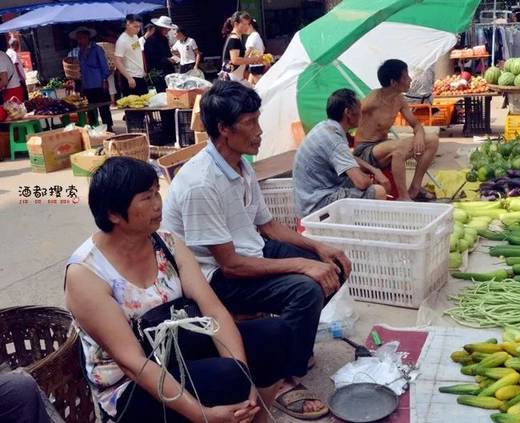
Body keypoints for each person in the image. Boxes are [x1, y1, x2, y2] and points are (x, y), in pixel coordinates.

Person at [162, 80, 351, 420]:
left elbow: (267, 225)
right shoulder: (201, 184)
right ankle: (281, 379)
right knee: (306, 288)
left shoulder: (240, 164)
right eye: (250, 123)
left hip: (250, 251)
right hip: (214, 276)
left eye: (257, 119)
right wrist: (302, 267)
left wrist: (319, 247)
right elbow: (230, 264)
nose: (260, 131)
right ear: (223, 129)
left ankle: (288, 347)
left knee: (334, 267)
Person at [65, 156, 292, 422]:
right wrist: (202, 414)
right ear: (113, 214)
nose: (157, 204)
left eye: (156, 193)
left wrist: (245, 377)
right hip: (130, 385)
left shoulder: (168, 244)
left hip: (176, 349)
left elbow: (214, 312)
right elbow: (132, 362)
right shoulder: (86, 274)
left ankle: (254, 416)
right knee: (227, 378)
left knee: (274, 335)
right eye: (145, 198)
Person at [293, 89, 388, 218]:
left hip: (308, 199)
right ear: (348, 113)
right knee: (379, 192)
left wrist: (374, 170)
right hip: (316, 205)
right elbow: (361, 182)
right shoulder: (334, 139)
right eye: (359, 109)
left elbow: (348, 157)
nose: (361, 113)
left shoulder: (325, 127)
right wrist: (371, 180)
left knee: (354, 180)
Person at [354, 59, 438, 201]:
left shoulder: (399, 100)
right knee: (399, 147)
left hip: (384, 146)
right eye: (405, 77)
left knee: (432, 140)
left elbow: (416, 125)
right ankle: (404, 197)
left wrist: (419, 134)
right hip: (365, 151)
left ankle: (414, 188)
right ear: (393, 82)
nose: (410, 80)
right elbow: (349, 117)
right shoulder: (373, 99)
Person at [68, 27, 113, 132]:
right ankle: (94, 128)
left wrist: (104, 80)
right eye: (78, 39)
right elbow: (82, 71)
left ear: (88, 38)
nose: (80, 41)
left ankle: (109, 127)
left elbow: (104, 66)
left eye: (82, 38)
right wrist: (82, 86)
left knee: (104, 108)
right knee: (90, 109)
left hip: (99, 83)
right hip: (88, 85)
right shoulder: (80, 52)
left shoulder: (97, 49)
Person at [221, 11, 263, 83]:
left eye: (248, 24)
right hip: (232, 80)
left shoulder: (236, 37)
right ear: (236, 24)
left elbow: (240, 59)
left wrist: (252, 58)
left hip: (235, 79)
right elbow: (235, 60)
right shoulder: (234, 38)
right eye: (244, 24)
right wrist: (254, 59)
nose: (247, 27)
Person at [114, 14, 147, 96]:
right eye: (135, 26)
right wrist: (129, 78)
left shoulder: (135, 36)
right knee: (134, 106)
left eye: (139, 26)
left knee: (145, 104)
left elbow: (136, 52)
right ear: (127, 24)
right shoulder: (122, 41)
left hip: (140, 75)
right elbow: (117, 61)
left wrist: (144, 70)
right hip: (131, 77)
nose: (138, 29)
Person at [145, 16, 177, 93]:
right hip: (157, 72)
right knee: (163, 92)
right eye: (166, 28)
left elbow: (168, 54)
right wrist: (167, 60)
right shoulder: (151, 40)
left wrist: (173, 58)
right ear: (160, 27)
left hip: (168, 70)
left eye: (168, 29)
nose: (168, 30)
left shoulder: (164, 39)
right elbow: (151, 57)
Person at [245, 19, 267, 85]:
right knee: (250, 85)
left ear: (250, 26)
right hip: (256, 64)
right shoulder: (257, 35)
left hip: (255, 65)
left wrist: (241, 60)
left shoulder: (253, 36)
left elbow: (249, 49)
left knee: (260, 86)